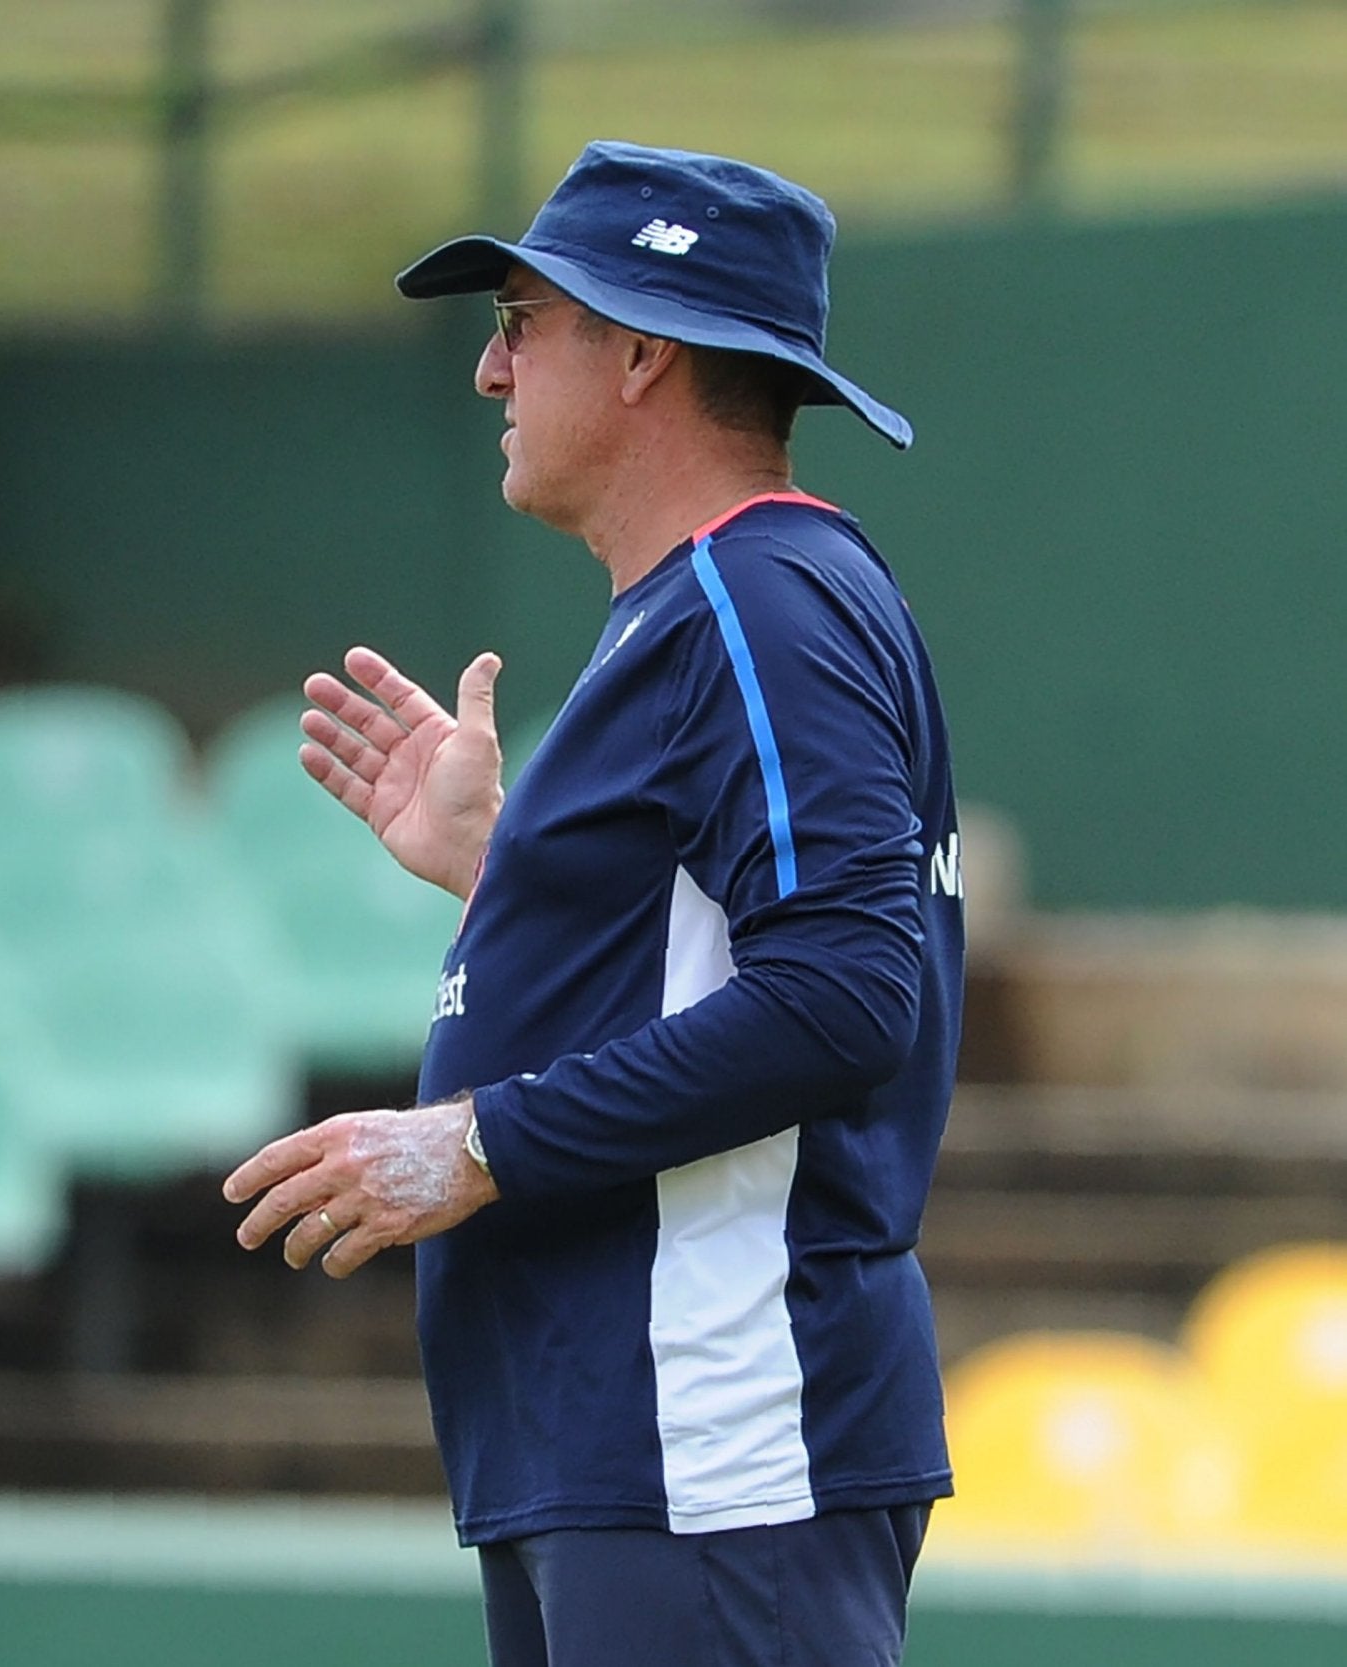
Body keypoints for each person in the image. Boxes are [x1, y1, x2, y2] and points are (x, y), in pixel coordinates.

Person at [222, 141, 962, 1667]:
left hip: (709, 1435)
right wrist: (510, 876)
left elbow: (843, 995)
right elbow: (734, 951)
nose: (489, 371)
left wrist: (477, 1143)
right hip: (629, 1444)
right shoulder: (723, 605)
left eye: (519, 322)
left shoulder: (760, 600)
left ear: (639, 354)